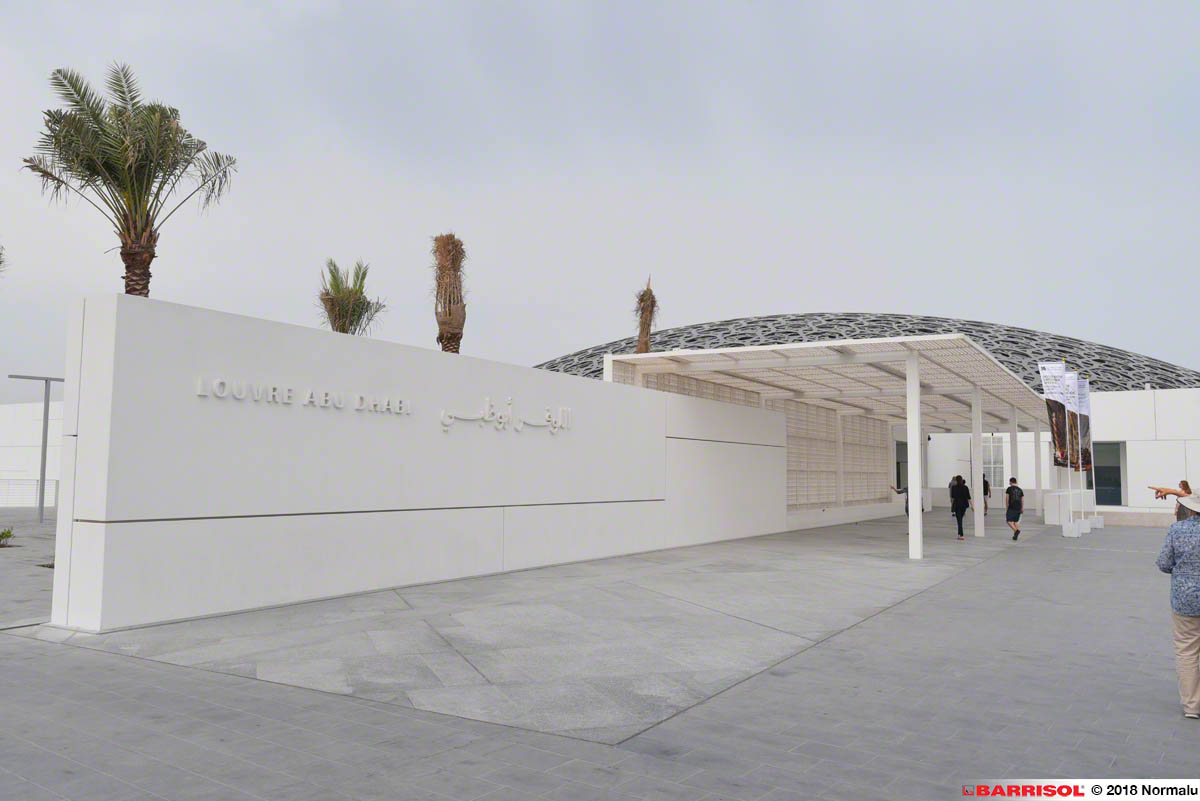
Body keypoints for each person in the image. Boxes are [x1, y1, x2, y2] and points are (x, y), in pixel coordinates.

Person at [1154, 488, 1200, 719]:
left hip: (1186, 599)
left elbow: (1163, 563)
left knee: (1187, 651)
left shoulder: (1178, 529)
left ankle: (1192, 705)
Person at [949, 475, 973, 540]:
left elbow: (953, 497)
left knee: (959, 521)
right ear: (962, 480)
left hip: (957, 505)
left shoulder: (954, 487)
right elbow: (969, 497)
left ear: (956, 480)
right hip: (964, 506)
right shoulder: (965, 487)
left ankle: (961, 535)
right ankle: (959, 534)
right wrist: (972, 506)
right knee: (960, 520)